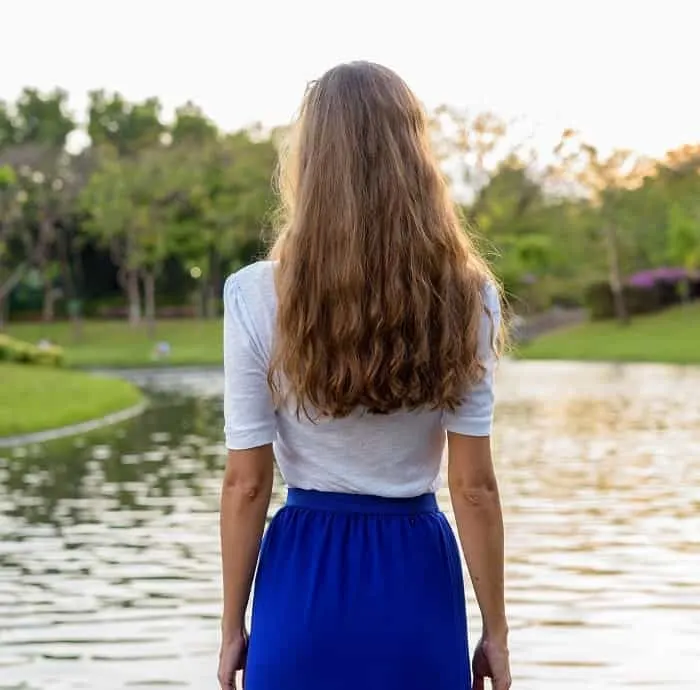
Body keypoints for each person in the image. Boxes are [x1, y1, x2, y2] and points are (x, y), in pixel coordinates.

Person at [218, 61, 511, 690]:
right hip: (415, 576)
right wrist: (496, 632)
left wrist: (231, 626)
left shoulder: (252, 295)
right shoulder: (468, 296)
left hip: (302, 577)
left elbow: (246, 484)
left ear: (310, 161)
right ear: (415, 156)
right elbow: (474, 489)